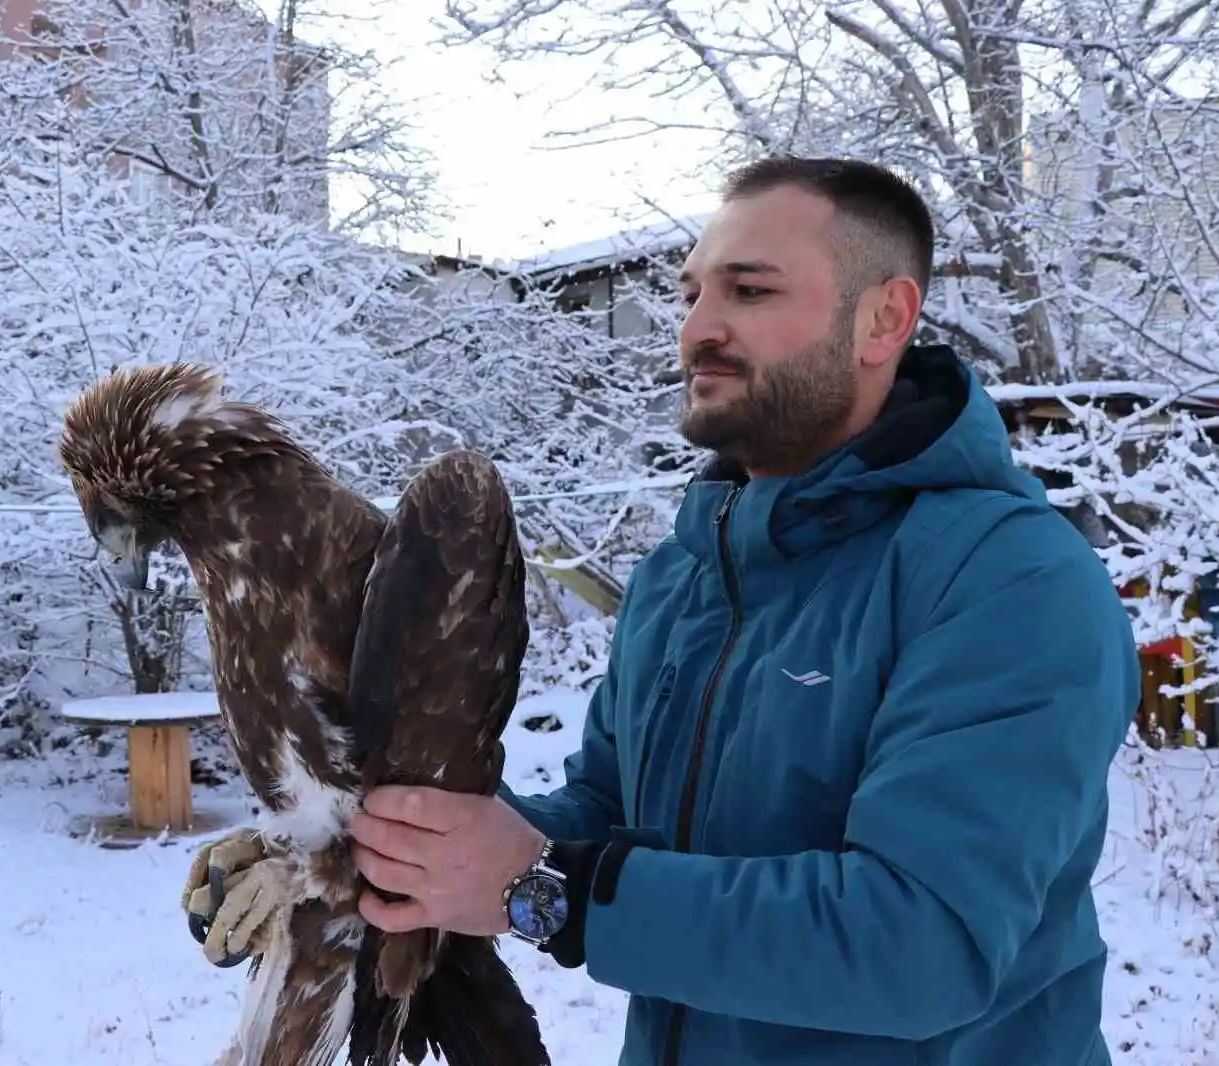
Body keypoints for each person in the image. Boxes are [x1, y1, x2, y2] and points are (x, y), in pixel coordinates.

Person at [342, 156, 1142, 1065]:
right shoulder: (683, 577)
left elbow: (922, 944)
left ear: (885, 318)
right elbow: (604, 812)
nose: (697, 330)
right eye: (690, 294)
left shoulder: (1005, 578)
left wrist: (546, 890)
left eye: (749, 291)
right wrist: (380, 836)